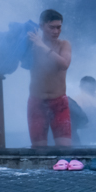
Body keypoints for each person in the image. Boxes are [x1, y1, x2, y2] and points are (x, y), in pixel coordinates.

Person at [27, 9, 73, 147]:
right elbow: (11, 55)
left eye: (58, 27)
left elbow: (64, 64)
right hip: (37, 102)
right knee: (39, 150)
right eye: (51, 27)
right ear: (41, 26)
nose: (55, 31)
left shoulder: (64, 44)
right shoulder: (32, 45)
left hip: (58, 102)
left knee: (64, 147)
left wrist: (43, 47)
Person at [72, 76, 96, 141]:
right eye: (90, 85)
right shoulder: (79, 98)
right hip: (87, 133)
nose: (93, 87)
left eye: (93, 85)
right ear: (82, 87)